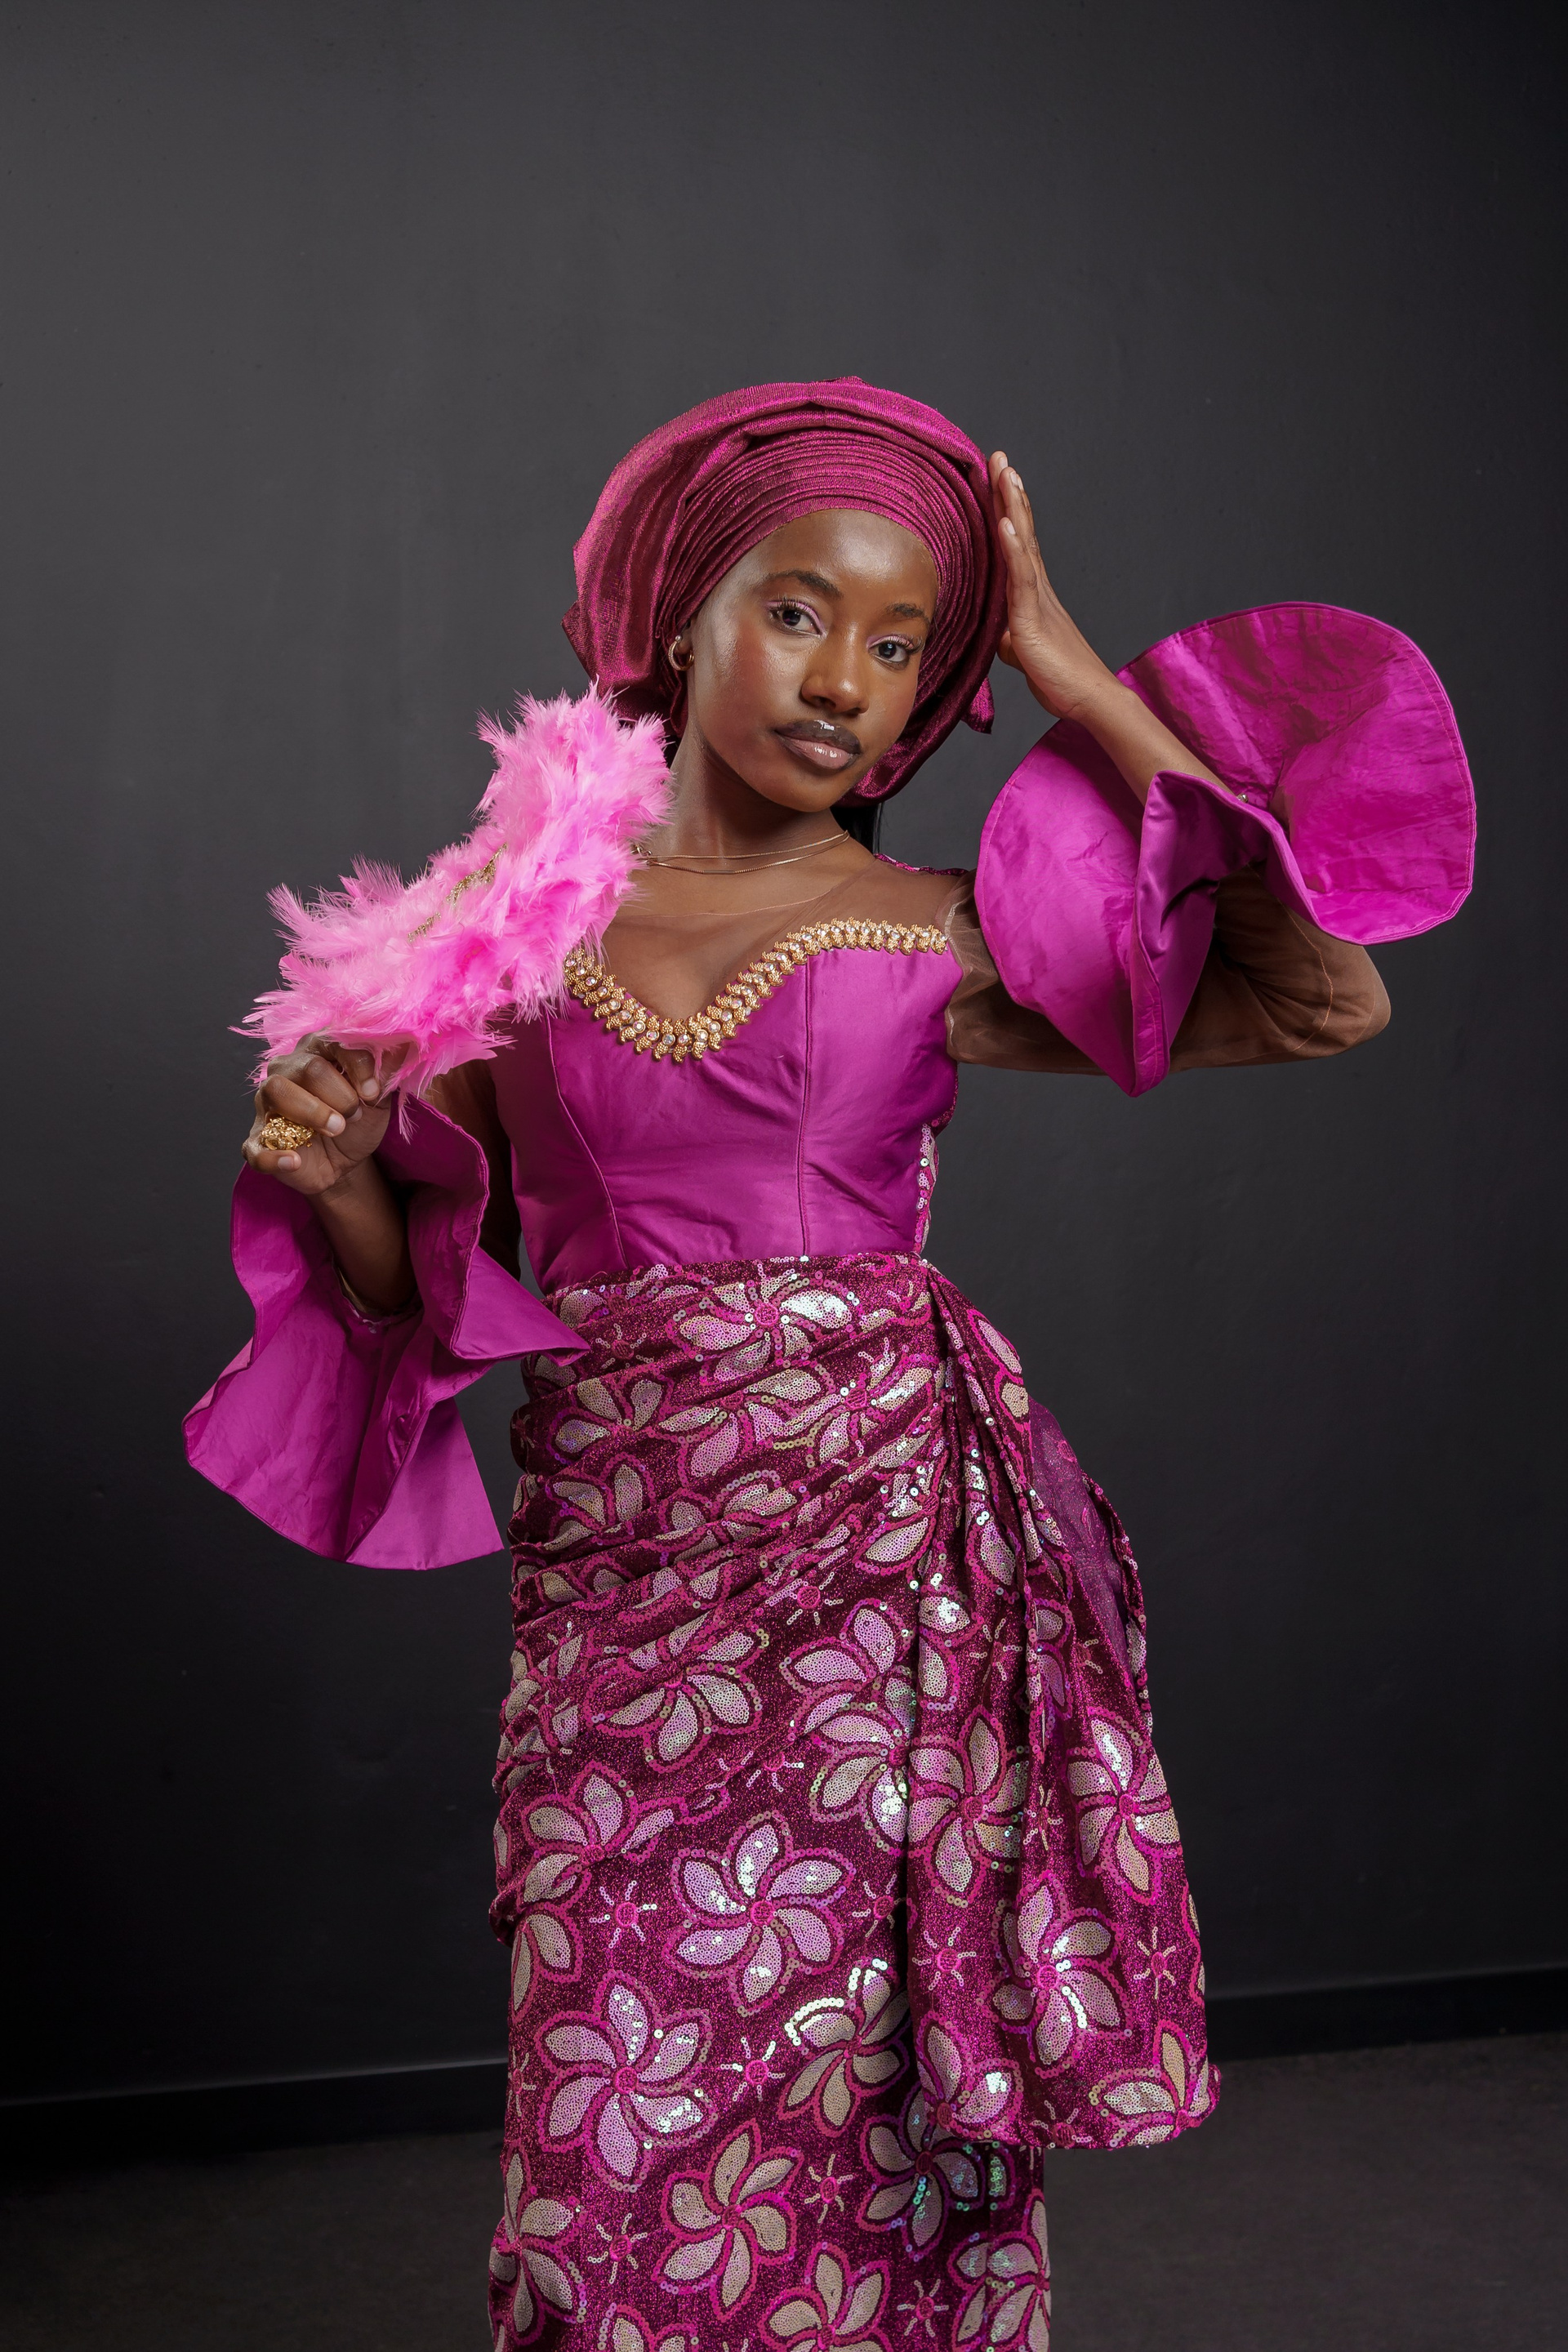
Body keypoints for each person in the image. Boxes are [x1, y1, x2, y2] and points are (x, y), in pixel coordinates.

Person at [187, 380, 1474, 2351]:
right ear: (681, 616)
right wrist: (348, 1167)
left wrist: (1068, 671)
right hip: (627, 1586)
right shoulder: (507, 934)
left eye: (899, 647)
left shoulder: (943, 932)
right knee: (609, 2114)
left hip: (882, 1585)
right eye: (797, 614)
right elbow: (441, 1288)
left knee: (878, 2100)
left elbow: (1324, 994)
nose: (842, 684)